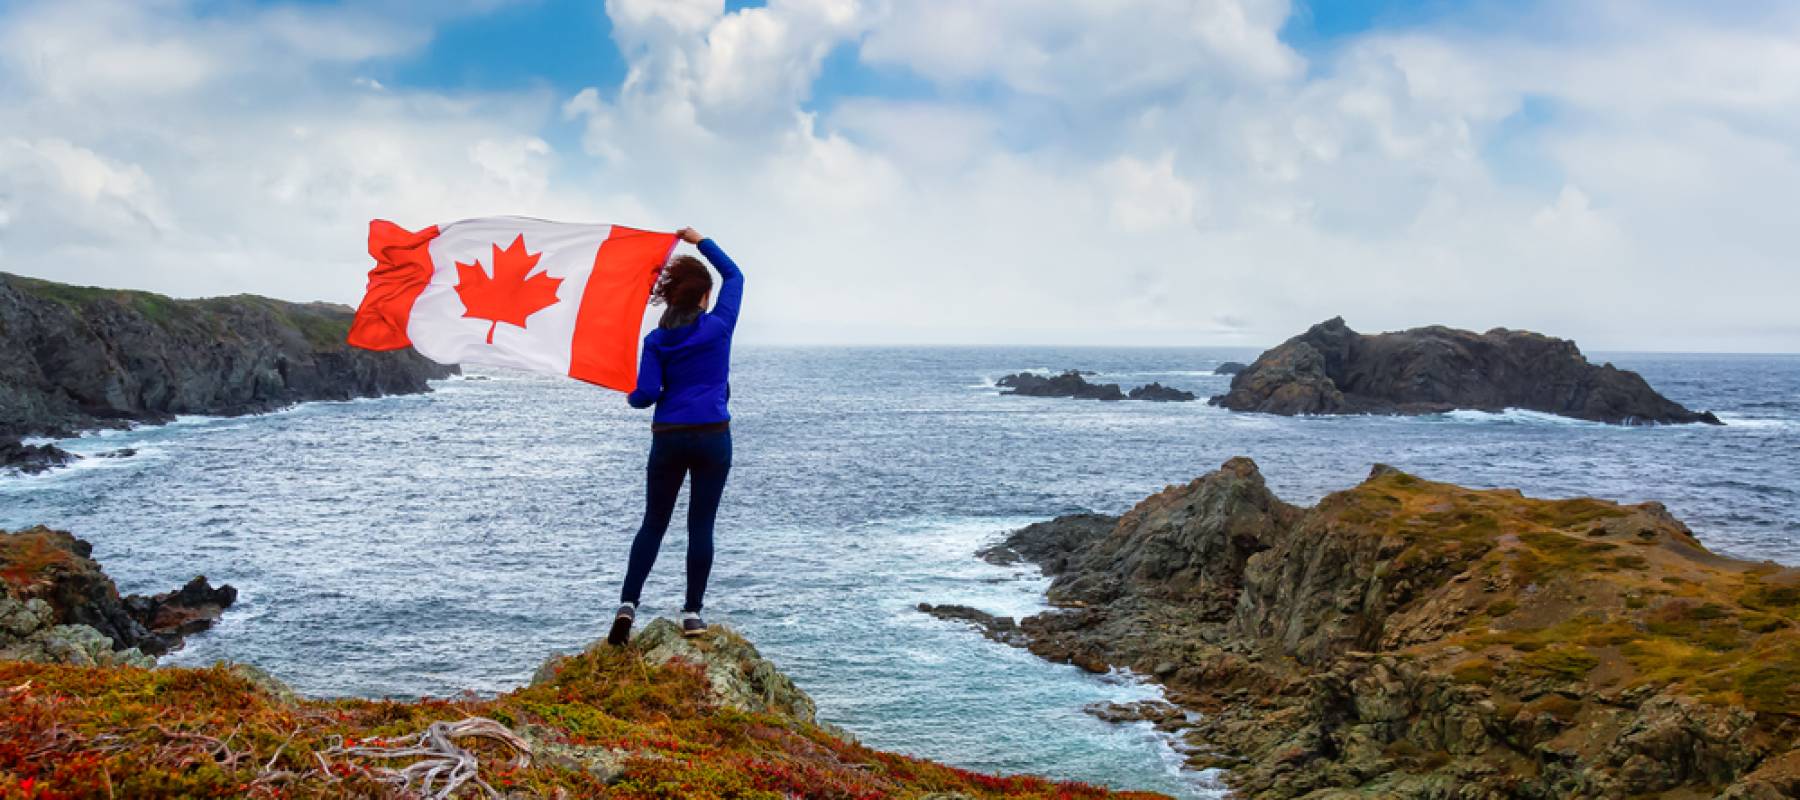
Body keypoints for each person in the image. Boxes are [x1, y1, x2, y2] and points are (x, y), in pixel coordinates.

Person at [608, 226, 743, 645]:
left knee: (653, 523)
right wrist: (699, 240)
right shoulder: (719, 326)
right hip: (713, 438)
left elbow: (644, 396)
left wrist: (635, 393)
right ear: (704, 297)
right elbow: (735, 276)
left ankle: (628, 605)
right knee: (701, 526)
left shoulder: (656, 341)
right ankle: (692, 613)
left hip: (668, 437)